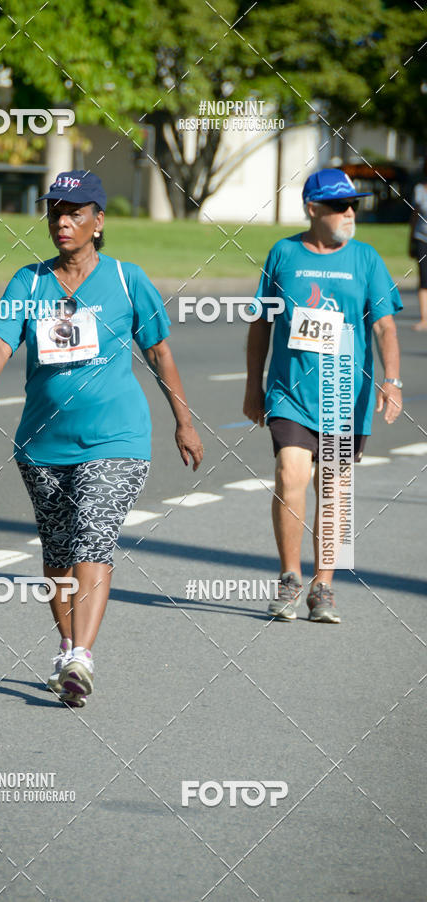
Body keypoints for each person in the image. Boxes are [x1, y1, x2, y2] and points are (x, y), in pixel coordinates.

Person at [0, 169, 203, 705]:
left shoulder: (126, 279)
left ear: (99, 221)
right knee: (57, 548)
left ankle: (81, 658)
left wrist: (184, 420)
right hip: (43, 443)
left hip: (116, 438)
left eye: (75, 212)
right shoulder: (28, 281)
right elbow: (1, 340)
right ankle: (68, 644)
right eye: (56, 212)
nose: (63, 222)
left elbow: (160, 352)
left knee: (92, 535)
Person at [243, 168, 403, 623]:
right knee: (289, 472)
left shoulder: (366, 259)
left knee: (332, 490)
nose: (348, 213)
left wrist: (392, 380)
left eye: (353, 205)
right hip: (290, 392)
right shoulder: (283, 253)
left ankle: (324, 585)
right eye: (338, 205)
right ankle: (290, 578)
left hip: (342, 394)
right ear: (312, 209)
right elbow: (261, 323)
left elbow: (385, 324)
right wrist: (253, 385)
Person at [409, 159, 427, 330]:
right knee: (424, 278)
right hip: (422, 238)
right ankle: (424, 318)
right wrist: (411, 240)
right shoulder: (420, 190)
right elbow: (414, 216)